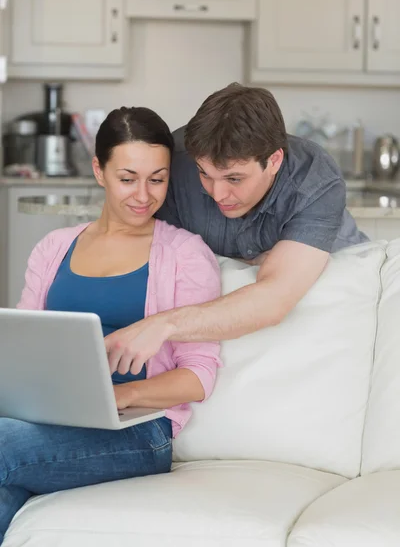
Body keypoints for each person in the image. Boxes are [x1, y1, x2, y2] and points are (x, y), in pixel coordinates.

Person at [0, 106, 221, 545]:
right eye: (127, 178)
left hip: (140, 431)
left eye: (156, 179)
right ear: (99, 170)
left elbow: (199, 375)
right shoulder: (53, 248)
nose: (143, 195)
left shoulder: (185, 254)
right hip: (47, 420)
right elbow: (23, 346)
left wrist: (119, 397)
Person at [105, 83, 369, 375]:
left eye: (234, 179)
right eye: (205, 174)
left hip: (337, 294)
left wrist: (164, 325)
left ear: (274, 161)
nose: (217, 194)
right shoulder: (175, 163)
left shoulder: (314, 179)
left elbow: (274, 299)